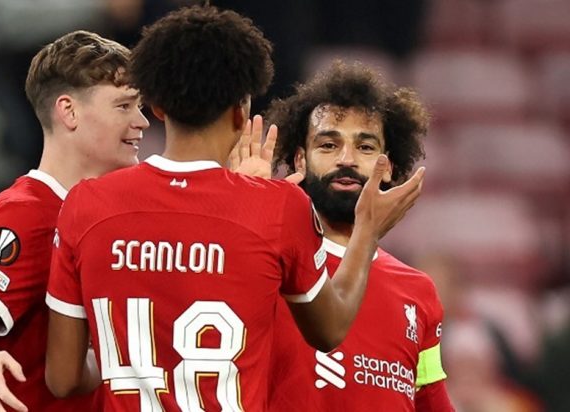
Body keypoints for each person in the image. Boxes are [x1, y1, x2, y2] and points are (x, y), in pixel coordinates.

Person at [44, 5, 424, 410]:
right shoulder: (278, 207)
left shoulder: (86, 204)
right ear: (242, 110)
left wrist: (124, 363)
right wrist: (367, 230)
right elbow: (329, 331)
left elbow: (63, 378)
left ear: (157, 108)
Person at [0, 30, 149, 412]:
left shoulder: (114, 213)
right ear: (69, 111)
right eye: (124, 106)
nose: (142, 121)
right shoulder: (23, 216)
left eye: (139, 106)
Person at [265, 60, 453, 411]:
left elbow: (432, 402)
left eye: (365, 147)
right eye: (328, 145)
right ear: (300, 160)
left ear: (389, 167)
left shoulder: (419, 291)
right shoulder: (270, 266)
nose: (347, 159)